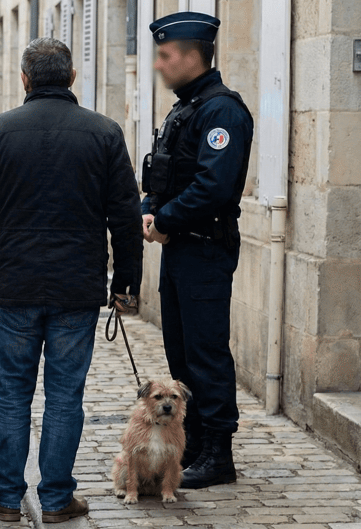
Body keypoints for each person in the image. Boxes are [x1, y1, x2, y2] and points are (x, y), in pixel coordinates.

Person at [0, 38, 143, 523]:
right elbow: (125, 216)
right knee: (65, 396)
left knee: (11, 393)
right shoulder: (104, 133)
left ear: (25, 78)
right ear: (72, 78)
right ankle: (58, 499)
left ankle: (4, 496)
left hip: (17, 285)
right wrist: (125, 281)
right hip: (76, 287)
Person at [141, 11, 254, 489]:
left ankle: (219, 453)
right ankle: (199, 444)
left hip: (204, 247)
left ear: (191, 56)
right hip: (180, 247)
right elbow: (165, 171)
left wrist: (164, 219)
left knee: (206, 353)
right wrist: (150, 207)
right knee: (182, 351)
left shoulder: (221, 111)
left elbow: (212, 185)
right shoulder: (186, 108)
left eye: (165, 57)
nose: (159, 65)